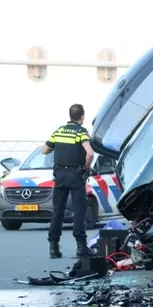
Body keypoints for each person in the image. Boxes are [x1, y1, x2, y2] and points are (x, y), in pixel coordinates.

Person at [41, 103, 96, 259]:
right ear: (82, 117)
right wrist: (86, 167)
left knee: (58, 211)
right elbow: (90, 153)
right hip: (75, 174)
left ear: (70, 115)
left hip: (59, 174)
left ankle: (53, 247)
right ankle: (81, 246)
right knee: (79, 209)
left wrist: (57, 148)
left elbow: (44, 150)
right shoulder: (81, 132)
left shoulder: (58, 131)